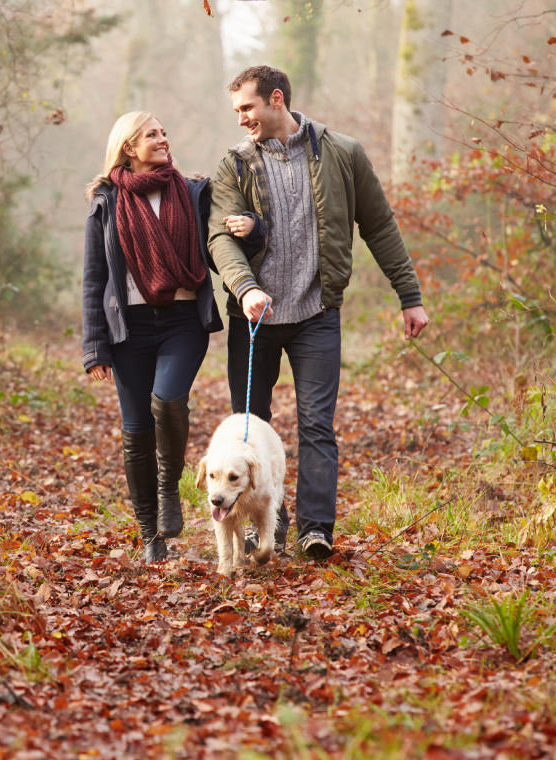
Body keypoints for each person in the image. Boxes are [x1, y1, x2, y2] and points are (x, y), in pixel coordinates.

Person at [208, 65, 430, 560]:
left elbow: (380, 225)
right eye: (237, 110)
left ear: (277, 99)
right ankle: (259, 529)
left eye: (247, 107)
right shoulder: (234, 165)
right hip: (254, 319)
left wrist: (409, 295)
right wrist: (244, 288)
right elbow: (219, 238)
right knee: (250, 427)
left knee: (316, 426)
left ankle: (314, 530)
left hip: (316, 314)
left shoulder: (342, 153)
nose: (242, 118)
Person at [82, 111, 262, 563]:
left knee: (166, 400)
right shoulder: (106, 200)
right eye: (152, 135)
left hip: (182, 320)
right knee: (136, 430)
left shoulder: (192, 191)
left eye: (163, 133)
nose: (163, 140)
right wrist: (95, 345)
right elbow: (93, 277)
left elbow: (225, 248)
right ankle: (150, 536)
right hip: (129, 329)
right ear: (128, 147)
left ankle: (169, 486)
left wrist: (250, 232)